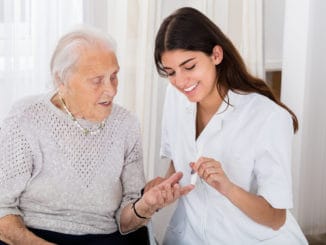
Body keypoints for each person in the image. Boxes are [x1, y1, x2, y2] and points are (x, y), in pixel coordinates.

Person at [0, 27, 193, 245]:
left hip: (105, 238)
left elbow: (126, 222)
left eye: (114, 76)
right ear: (61, 80)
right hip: (34, 236)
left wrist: (145, 205)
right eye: (96, 80)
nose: (111, 90)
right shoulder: (26, 117)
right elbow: (2, 207)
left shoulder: (126, 125)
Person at [152, 7, 308, 244]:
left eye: (190, 66)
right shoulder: (175, 97)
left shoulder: (268, 118)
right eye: (170, 72)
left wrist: (228, 187)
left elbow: (276, 218)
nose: (180, 81)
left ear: (216, 55)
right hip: (189, 236)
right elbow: (179, 157)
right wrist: (166, 186)